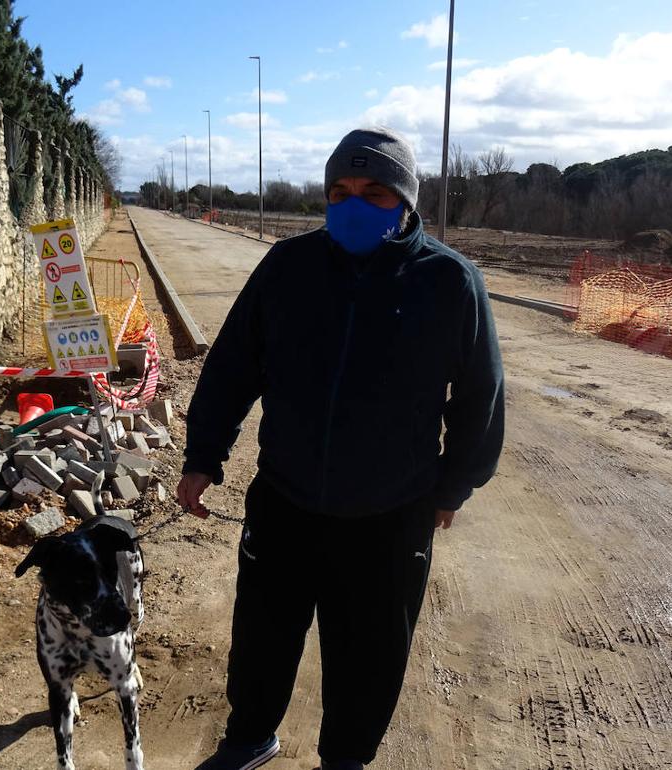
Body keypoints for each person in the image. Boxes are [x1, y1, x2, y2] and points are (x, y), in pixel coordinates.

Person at [178, 127, 505, 770]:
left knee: (370, 653)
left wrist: (451, 488)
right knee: (263, 638)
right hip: (286, 497)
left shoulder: (449, 283)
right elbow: (233, 367)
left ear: (407, 201)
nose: (353, 203)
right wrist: (202, 455)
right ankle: (250, 739)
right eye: (340, 191)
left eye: (374, 192)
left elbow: (480, 397)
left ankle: (346, 759)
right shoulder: (288, 268)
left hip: (390, 515)